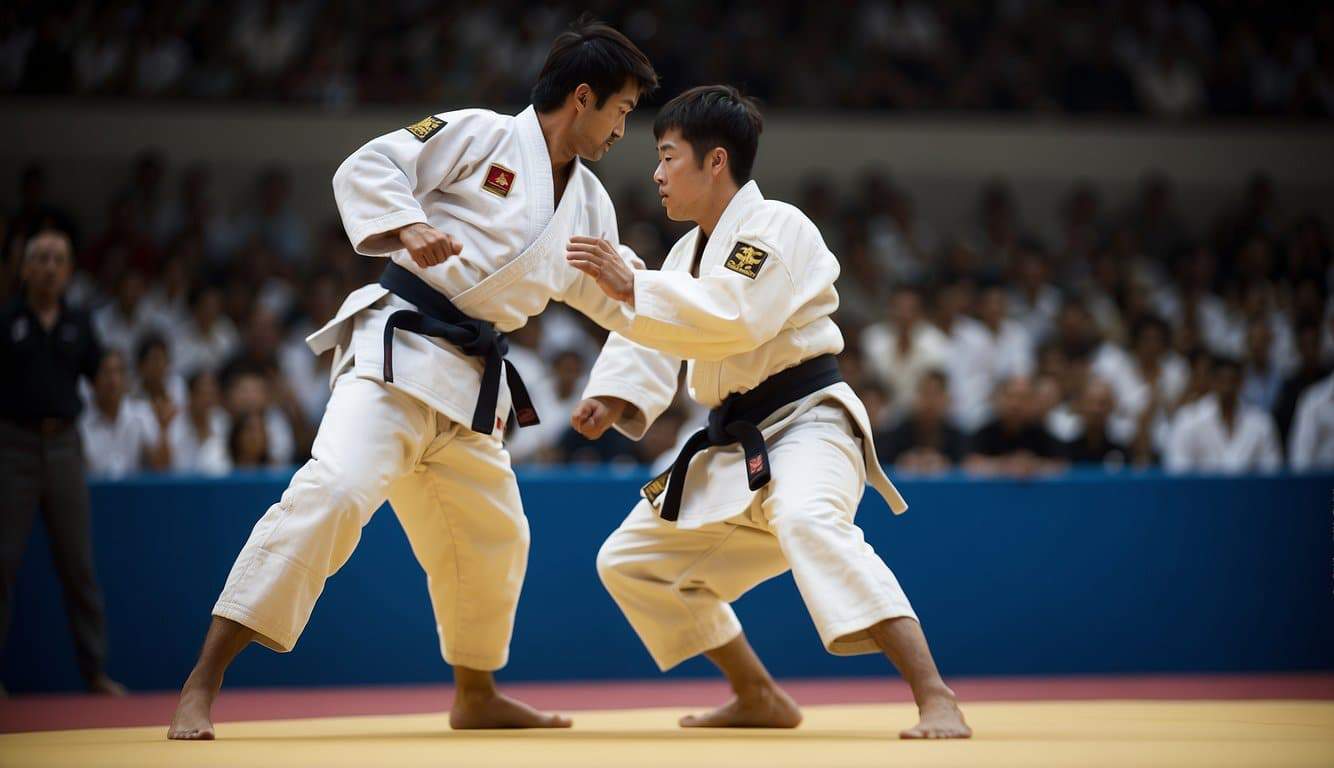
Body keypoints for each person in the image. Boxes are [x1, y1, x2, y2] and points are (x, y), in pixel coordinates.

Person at [167, 18, 658, 739]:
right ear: (582, 98)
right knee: (331, 493)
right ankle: (201, 683)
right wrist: (404, 227)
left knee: (496, 536)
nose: (624, 129)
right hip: (398, 361)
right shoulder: (480, 134)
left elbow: (625, 295)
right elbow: (371, 165)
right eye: (621, 110)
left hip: (469, 391)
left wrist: (620, 387)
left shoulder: (589, 205)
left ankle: (476, 693)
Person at [566, 86, 969, 738]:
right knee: (629, 561)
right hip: (734, 445)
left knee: (811, 521)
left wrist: (631, 284)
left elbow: (733, 318)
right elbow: (659, 334)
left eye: (668, 157)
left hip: (808, 424)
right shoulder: (686, 253)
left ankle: (936, 696)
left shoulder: (777, 227)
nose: (657, 174)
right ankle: (757, 693)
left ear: (715, 161)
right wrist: (613, 394)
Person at [0, 230, 124, 695]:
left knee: (78, 565)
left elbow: (101, 377)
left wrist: (117, 386)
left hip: (65, 447)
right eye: (41, 258)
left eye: (59, 259)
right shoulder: (7, 320)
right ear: (25, 268)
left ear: (70, 271)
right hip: (13, 447)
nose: (50, 267)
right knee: (2, 563)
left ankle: (94, 673)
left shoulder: (79, 321)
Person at [1164, 357, 1281, 473]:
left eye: (1232, 381)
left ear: (1241, 383)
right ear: (1212, 381)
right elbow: (1177, 468)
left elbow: (1271, 470)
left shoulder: (1261, 422)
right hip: (1202, 490)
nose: (1227, 387)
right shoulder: (1188, 419)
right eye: (1222, 380)